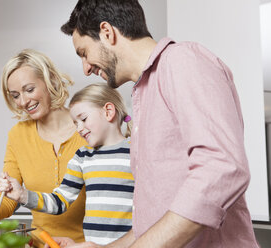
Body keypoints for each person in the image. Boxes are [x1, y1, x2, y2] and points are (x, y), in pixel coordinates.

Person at [58, 0, 260, 247]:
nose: (86, 68)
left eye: (84, 53)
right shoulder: (143, 94)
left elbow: (222, 168)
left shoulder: (182, 60)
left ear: (107, 33)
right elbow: (154, 224)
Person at [0, 49, 88, 247]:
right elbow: (5, 199)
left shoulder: (88, 130)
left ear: (50, 80)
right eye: (15, 95)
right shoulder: (18, 135)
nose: (23, 102)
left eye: (29, 90)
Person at [0, 83, 134, 245]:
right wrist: (23, 195)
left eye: (83, 119)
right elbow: (60, 201)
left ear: (108, 111)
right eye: (75, 123)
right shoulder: (82, 157)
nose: (79, 128)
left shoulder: (137, 152)